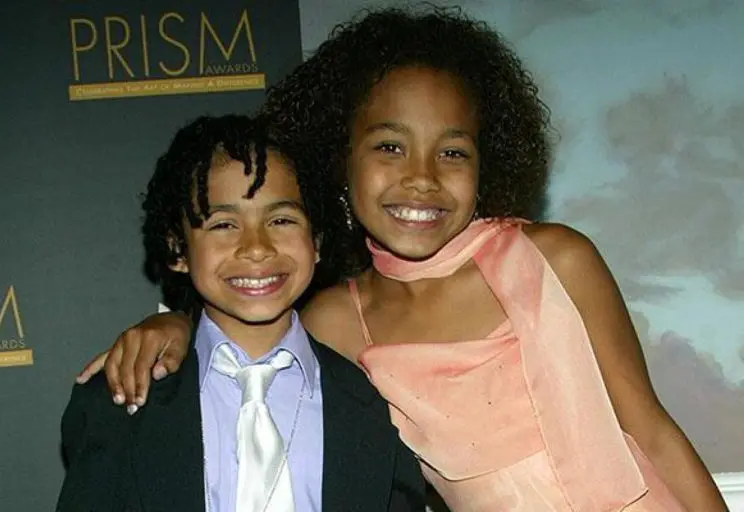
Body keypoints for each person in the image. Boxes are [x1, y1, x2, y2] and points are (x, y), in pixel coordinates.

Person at [77, 7, 727, 511]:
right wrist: (175, 325)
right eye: (390, 147)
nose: (421, 177)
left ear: (487, 163)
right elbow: (251, 334)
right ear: (339, 158)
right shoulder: (337, 320)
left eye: (453, 152)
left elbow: (654, 431)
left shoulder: (557, 258)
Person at [57, 114, 426, 511]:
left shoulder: (372, 403)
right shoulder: (122, 399)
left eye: (281, 220)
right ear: (178, 248)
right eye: (223, 225)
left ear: (316, 240)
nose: (256, 247)